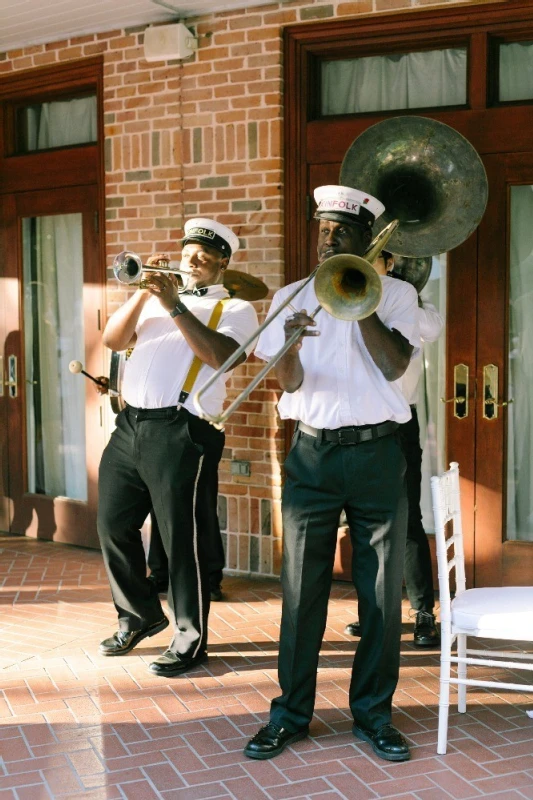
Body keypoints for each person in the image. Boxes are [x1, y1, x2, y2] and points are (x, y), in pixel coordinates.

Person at [244, 185, 420, 764]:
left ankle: (373, 716)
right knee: (301, 591)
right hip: (313, 455)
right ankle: (290, 715)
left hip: (377, 455)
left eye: (340, 232)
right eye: (322, 229)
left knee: (378, 594)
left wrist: (359, 303)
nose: (328, 238)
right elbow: (290, 383)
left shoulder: (395, 295)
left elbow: (396, 366)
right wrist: (290, 345)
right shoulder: (292, 295)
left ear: (368, 239)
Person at [97, 218, 258, 677]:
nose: (193, 262)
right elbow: (112, 339)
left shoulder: (236, 308)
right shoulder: (153, 301)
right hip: (131, 426)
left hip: (183, 428)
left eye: (204, 258)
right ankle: (140, 615)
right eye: (189, 255)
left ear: (223, 262)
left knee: (179, 539)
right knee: (112, 524)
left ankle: (191, 637)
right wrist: (145, 294)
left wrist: (173, 306)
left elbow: (221, 356)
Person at [344, 250, 444, 648]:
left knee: (407, 519)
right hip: (356, 421)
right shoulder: (347, 292)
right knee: (363, 521)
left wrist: (403, 289)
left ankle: (422, 612)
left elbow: (432, 328)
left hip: (399, 423)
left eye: (383, 260)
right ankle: (372, 611)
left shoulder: (411, 301)